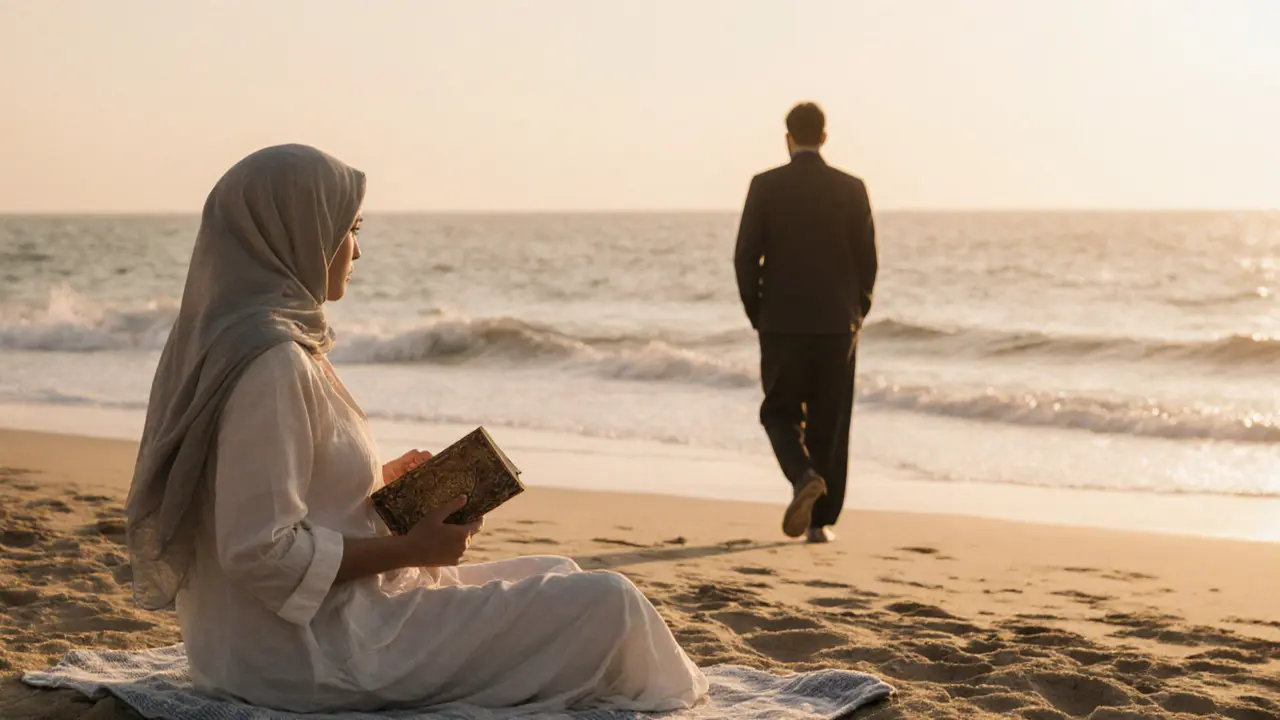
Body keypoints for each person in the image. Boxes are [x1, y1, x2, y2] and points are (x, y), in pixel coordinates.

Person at [123, 144, 708, 713]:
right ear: (302, 232)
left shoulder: (239, 342)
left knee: (560, 573)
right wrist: (408, 548)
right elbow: (258, 551)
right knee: (609, 604)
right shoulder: (270, 362)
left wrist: (379, 483)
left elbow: (272, 488)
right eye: (350, 228)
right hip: (301, 656)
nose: (356, 250)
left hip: (265, 644)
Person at [733, 102, 879, 544]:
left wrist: (757, 311)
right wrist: (857, 310)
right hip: (838, 322)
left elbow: (745, 256)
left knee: (778, 411)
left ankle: (802, 477)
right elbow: (868, 260)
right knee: (830, 420)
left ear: (787, 138)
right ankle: (820, 522)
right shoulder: (852, 188)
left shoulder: (765, 186)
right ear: (825, 136)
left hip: (781, 321)